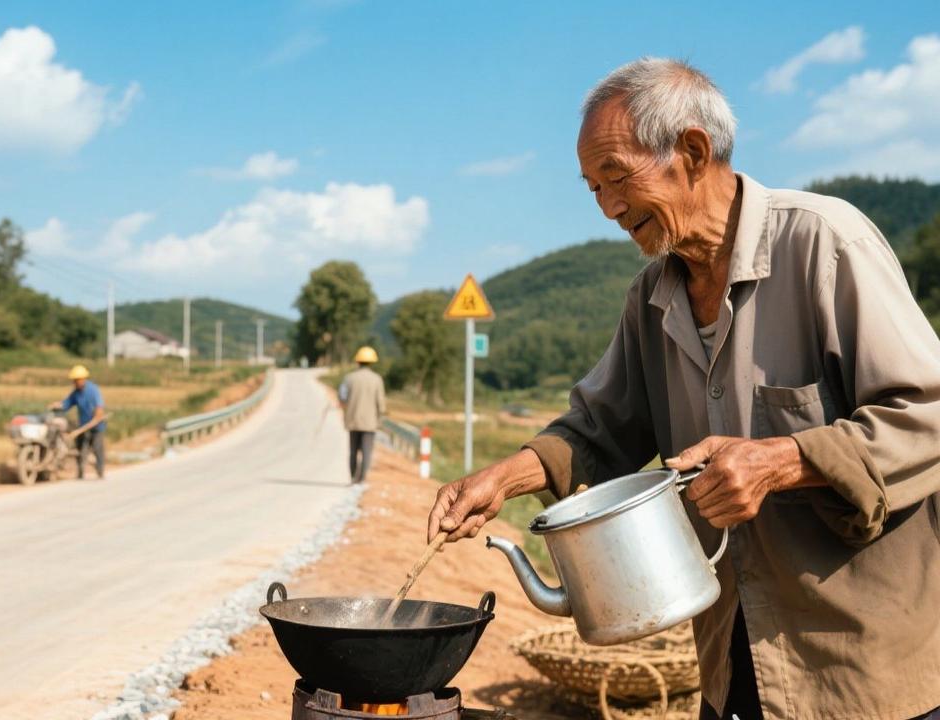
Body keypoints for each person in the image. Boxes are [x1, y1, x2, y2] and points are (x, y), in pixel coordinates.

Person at [428, 58, 940, 719]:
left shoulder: (824, 243)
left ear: (692, 151)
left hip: (863, 668)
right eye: (593, 189)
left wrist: (782, 461)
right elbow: (598, 430)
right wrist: (503, 479)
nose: (610, 208)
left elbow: (927, 412)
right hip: (733, 663)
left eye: (617, 177)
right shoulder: (652, 297)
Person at [339, 346, 386, 484]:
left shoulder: (349, 378)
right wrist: (380, 417)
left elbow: (342, 397)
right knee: (366, 452)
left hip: (353, 421)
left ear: (358, 361)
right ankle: (362, 479)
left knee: (353, 451)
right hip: (370, 423)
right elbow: (381, 403)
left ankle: (353, 477)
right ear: (372, 362)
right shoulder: (377, 379)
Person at [51, 364, 107, 480]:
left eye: (77, 380)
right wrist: (58, 405)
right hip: (83, 424)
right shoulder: (76, 393)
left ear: (83, 379)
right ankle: (80, 472)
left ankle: (100, 470)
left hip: (96, 425)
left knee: (97, 447)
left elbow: (99, 408)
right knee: (81, 448)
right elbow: (67, 403)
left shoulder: (93, 390)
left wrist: (97, 416)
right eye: (74, 380)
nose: (75, 382)